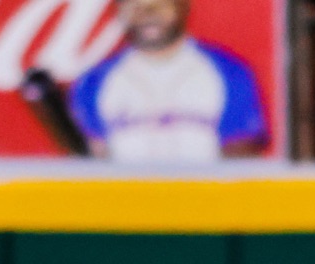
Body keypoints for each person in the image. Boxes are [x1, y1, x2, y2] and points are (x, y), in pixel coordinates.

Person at [67, 0, 269, 163]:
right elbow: (91, 164)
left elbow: (243, 155)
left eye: (159, 5)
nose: (147, 14)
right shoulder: (93, 82)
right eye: (136, 7)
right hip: (126, 205)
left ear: (183, 5)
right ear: (118, 11)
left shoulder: (229, 72)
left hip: (204, 203)